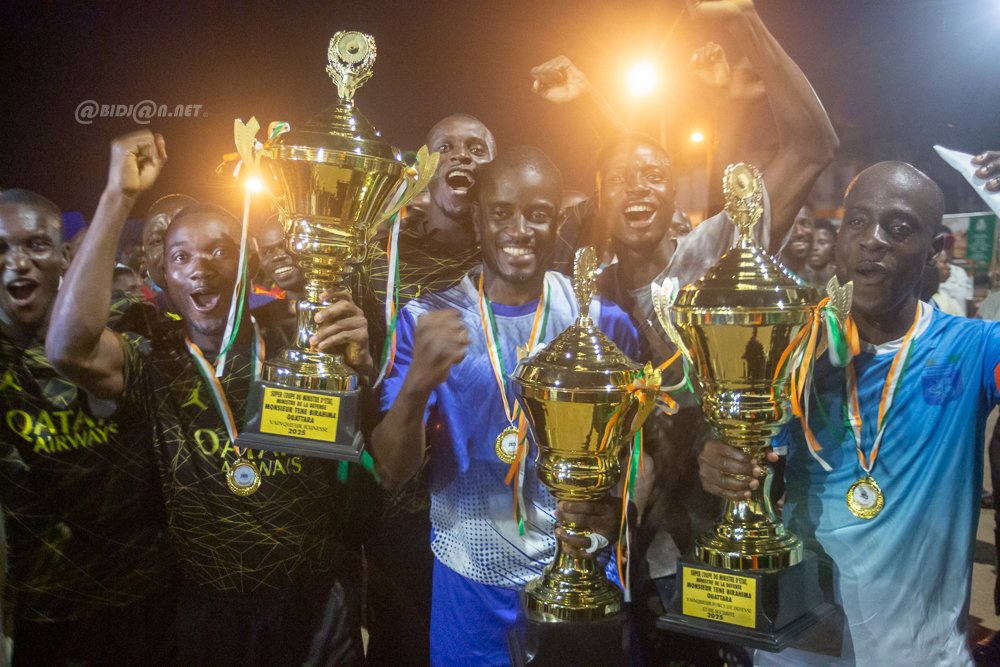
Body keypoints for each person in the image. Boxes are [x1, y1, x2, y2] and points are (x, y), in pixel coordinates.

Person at [45, 131, 366, 666]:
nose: (201, 266)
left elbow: (363, 455)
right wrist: (118, 195)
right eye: (182, 256)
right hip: (208, 609)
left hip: (313, 605)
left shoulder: (300, 344)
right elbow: (66, 349)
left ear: (250, 262)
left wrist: (362, 363)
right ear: (164, 276)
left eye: (220, 249)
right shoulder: (152, 357)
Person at [698, 161, 1000, 666]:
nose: (873, 240)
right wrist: (718, 462)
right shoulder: (785, 345)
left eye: (899, 228)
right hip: (793, 652)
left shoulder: (972, 349)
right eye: (857, 222)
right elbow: (734, 447)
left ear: (934, 248)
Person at [371, 147, 640, 666]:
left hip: (580, 571)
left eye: (538, 214)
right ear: (477, 219)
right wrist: (417, 384)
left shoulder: (600, 322)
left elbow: (636, 454)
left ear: (556, 222)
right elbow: (390, 471)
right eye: (501, 213)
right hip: (470, 580)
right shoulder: (426, 319)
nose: (520, 230)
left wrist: (620, 506)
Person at [0, 188, 176, 666]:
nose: (18, 262)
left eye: (35, 244)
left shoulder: (126, 322)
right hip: (47, 614)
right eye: (2, 248)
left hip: (146, 597)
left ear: (64, 258)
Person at [360, 113, 497, 666]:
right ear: (423, 168)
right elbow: (358, 364)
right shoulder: (378, 259)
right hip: (400, 498)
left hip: (484, 493)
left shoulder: (513, 261)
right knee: (405, 643)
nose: (462, 155)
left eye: (477, 148)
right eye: (446, 146)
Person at [778, 206, 815, 279]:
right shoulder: (769, 276)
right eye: (790, 225)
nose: (799, 232)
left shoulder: (823, 279)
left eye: (805, 224)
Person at [805, 217, 837, 286]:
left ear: (834, 247)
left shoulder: (843, 279)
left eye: (822, 242)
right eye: (810, 241)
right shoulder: (794, 278)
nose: (814, 247)